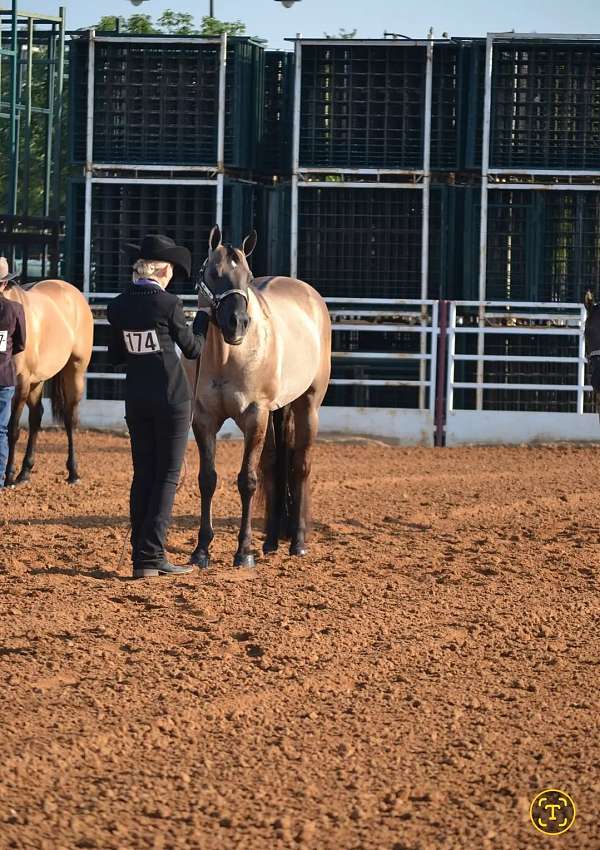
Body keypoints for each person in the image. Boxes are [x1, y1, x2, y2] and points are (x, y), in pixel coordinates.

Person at [107, 235, 211, 579]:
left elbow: (116, 356)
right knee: (167, 477)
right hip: (171, 400)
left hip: (136, 398)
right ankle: (152, 556)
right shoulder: (168, 304)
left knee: (144, 475)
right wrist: (202, 322)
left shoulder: (118, 305)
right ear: (163, 270)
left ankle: (142, 555)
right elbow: (193, 349)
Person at [0, 257, 26, 489]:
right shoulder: (15, 309)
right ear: (5, 284)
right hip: (4, 376)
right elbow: (21, 344)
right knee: (1, 429)